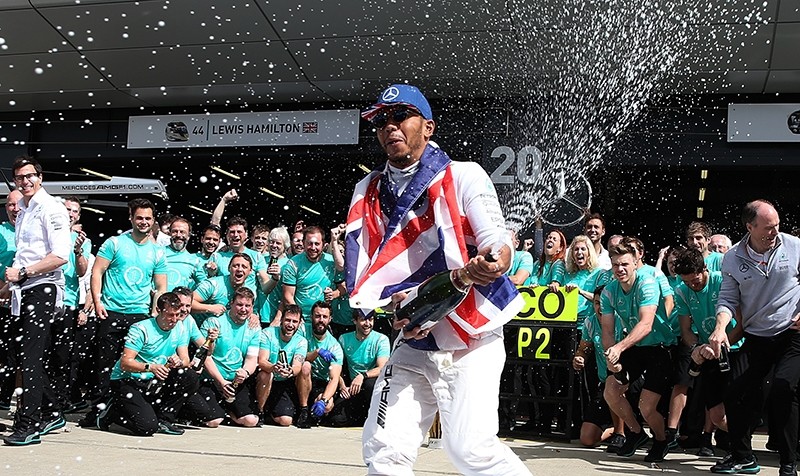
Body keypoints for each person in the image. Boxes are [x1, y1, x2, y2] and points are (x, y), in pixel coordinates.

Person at [347, 84, 530, 474]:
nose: (389, 126)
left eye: (400, 116)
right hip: (414, 336)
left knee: (470, 449)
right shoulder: (369, 191)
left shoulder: (464, 175)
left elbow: (496, 240)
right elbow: (371, 273)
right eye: (381, 120)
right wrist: (393, 310)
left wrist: (496, 260)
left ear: (427, 127)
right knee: (383, 447)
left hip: (471, 335)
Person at [708, 200, 800, 476]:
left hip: (791, 335)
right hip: (756, 336)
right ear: (750, 227)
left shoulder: (794, 246)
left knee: (784, 388)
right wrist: (720, 327)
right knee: (736, 391)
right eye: (768, 228)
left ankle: (788, 463)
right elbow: (727, 297)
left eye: (777, 226)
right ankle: (742, 457)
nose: (774, 232)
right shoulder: (733, 257)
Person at [2, 156, 71, 446]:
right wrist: (11, 283)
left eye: (30, 175)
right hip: (24, 289)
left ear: (40, 177)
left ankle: (29, 424)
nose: (25, 181)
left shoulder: (51, 207)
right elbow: (25, 254)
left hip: (41, 288)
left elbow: (60, 255)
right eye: (20, 177)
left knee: (30, 358)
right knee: (24, 356)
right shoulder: (26, 210)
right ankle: (52, 410)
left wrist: (23, 273)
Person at [82, 198, 167, 426]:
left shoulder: (158, 253)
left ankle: (124, 408)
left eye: (148, 218)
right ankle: (98, 411)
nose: (143, 221)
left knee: (132, 366)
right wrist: (98, 302)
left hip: (139, 317)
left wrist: (153, 314)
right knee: (104, 365)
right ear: (131, 218)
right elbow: (97, 272)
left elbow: (161, 287)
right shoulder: (114, 243)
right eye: (139, 217)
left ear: (153, 221)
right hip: (110, 313)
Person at [601, 242, 675, 463]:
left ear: (635, 263)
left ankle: (661, 440)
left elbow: (646, 325)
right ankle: (636, 433)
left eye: (624, 264)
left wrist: (618, 348)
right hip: (636, 348)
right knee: (611, 391)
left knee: (646, 406)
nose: (620, 269)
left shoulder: (648, 282)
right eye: (615, 265)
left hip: (661, 347)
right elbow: (607, 331)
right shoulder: (609, 291)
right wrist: (610, 358)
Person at [98, 292, 198, 436]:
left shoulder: (180, 327)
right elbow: (126, 363)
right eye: (170, 315)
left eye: (177, 315)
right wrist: (150, 367)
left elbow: (186, 360)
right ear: (158, 311)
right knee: (146, 428)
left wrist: (179, 362)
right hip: (127, 379)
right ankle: (112, 413)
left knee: (188, 376)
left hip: (153, 380)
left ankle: (164, 419)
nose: (174, 320)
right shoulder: (140, 329)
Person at [671, 248, 739, 458]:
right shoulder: (682, 291)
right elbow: (686, 331)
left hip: (736, 349)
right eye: (687, 282)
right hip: (709, 353)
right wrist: (699, 348)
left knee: (738, 407)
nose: (693, 285)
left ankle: (741, 450)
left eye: (696, 280)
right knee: (717, 415)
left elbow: (743, 323)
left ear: (704, 269)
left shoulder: (723, 281)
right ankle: (739, 440)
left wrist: (725, 342)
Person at [194, 287, 260, 428]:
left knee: (251, 421)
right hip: (211, 380)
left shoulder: (254, 327)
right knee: (213, 422)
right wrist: (221, 382)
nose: (243, 309)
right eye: (239, 305)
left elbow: (251, 359)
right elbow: (206, 357)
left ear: (252, 307)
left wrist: (245, 372)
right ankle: (217, 412)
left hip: (234, 383)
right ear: (231, 303)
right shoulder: (213, 323)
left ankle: (227, 411)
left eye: (247, 306)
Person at [283, 225, 344, 333]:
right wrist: (297, 317)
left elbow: (344, 287)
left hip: (324, 322)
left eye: (317, 244)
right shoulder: (293, 264)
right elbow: (288, 296)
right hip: (301, 322)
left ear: (323, 244)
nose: (313, 247)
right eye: (309, 243)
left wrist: (334, 294)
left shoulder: (332, 262)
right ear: (303, 243)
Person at [256, 304, 309, 427]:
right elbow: (262, 361)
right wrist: (273, 367)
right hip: (265, 378)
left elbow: (297, 366)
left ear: (300, 323)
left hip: (283, 382)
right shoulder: (267, 333)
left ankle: (272, 413)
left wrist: (290, 371)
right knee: (266, 375)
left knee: (286, 421)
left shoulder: (301, 341)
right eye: (288, 320)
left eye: (294, 321)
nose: (290, 325)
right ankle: (259, 410)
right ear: (281, 320)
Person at [335, 312, 390, 427]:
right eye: (363, 320)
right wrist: (342, 386)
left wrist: (362, 376)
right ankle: (362, 417)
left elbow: (382, 368)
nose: (367, 324)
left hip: (371, 383)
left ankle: (374, 417)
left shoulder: (381, 339)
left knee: (370, 385)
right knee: (337, 419)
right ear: (355, 321)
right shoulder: (344, 339)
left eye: (370, 320)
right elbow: (336, 366)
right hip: (353, 386)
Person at [299, 301, 343, 423]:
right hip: (298, 379)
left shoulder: (334, 346)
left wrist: (323, 401)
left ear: (330, 319)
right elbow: (298, 359)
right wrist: (317, 352)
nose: (321, 320)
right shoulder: (302, 331)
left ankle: (314, 414)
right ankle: (303, 410)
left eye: (324, 317)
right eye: (317, 316)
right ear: (311, 316)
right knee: (306, 366)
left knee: (328, 405)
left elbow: (334, 378)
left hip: (320, 381)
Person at [191, 253, 256, 326]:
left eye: (244, 267)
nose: (239, 269)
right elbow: (188, 302)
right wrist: (210, 308)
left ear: (250, 271)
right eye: (235, 266)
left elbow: (250, 310)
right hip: (200, 328)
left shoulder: (249, 292)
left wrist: (253, 316)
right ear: (229, 268)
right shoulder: (213, 285)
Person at [0, 189, 22, 410]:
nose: (14, 209)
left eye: (18, 204)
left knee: (15, 357)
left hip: (25, 304)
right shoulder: (0, 232)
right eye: (10, 205)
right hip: (3, 304)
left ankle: (8, 399)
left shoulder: (32, 232)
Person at [256, 226, 290, 327]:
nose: (274, 245)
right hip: (257, 316)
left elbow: (287, 295)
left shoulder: (289, 264)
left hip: (277, 317)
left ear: (285, 246)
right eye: (271, 242)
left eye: (278, 243)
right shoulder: (260, 259)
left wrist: (278, 318)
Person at [163, 216, 206, 290]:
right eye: (175, 231)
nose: (178, 235)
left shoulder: (194, 260)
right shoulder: (158, 253)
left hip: (180, 301)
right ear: (169, 233)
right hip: (157, 300)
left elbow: (204, 285)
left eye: (182, 232)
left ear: (189, 235)